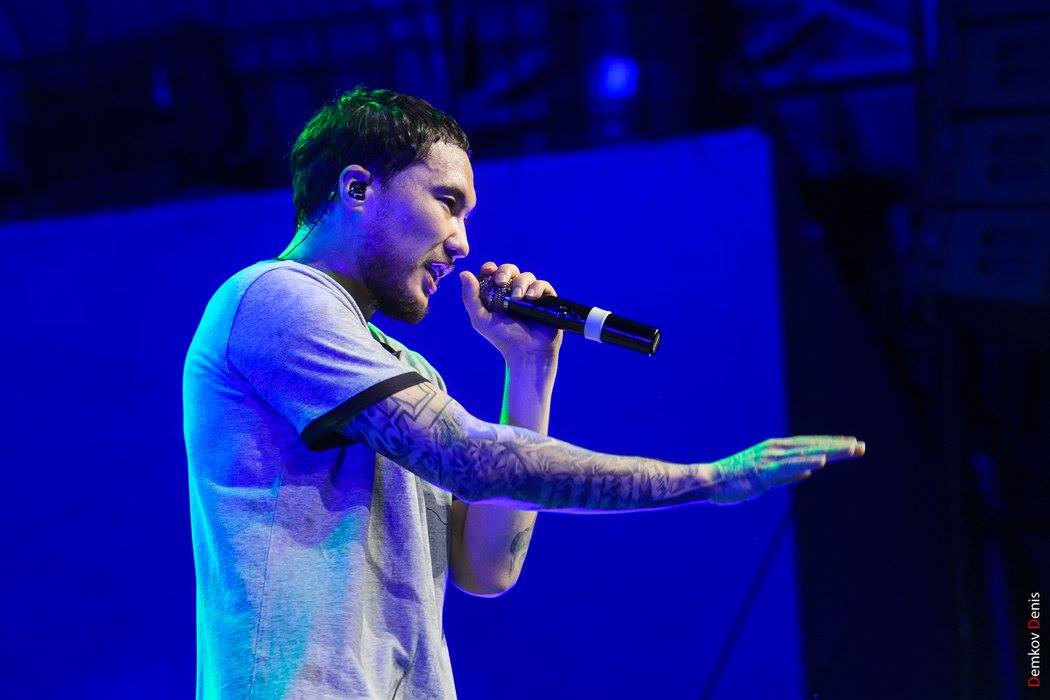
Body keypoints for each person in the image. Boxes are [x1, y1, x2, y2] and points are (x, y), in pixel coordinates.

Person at [183, 86, 865, 699]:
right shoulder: (274, 297)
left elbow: (486, 567)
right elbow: (472, 459)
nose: (461, 242)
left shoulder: (405, 367)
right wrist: (705, 480)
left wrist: (530, 366)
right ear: (358, 189)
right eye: (447, 202)